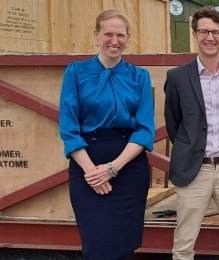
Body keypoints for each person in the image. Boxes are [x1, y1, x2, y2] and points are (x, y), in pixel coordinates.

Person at [58, 9, 155, 260]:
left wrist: (113, 168)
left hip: (129, 165)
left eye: (120, 35)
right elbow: (68, 127)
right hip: (86, 166)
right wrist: (93, 172)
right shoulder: (75, 72)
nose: (115, 41)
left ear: (128, 38)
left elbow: (145, 129)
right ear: (96, 35)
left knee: (125, 245)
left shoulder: (139, 76)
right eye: (108, 34)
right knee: (96, 244)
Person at [164, 6, 219, 260]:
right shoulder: (178, 77)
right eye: (204, 31)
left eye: (215, 32)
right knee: (184, 242)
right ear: (194, 34)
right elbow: (174, 123)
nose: (210, 38)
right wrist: (189, 149)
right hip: (194, 169)